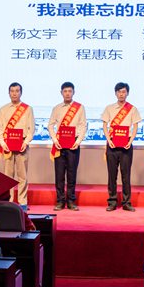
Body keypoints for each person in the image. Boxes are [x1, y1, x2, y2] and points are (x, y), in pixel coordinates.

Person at [101, 82, 142, 212]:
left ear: (127, 93)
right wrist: (109, 140)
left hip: (126, 145)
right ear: (115, 93)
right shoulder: (109, 108)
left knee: (126, 175)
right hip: (112, 144)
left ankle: (126, 202)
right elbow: (104, 125)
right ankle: (112, 202)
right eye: (119, 92)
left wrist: (131, 140)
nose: (121, 94)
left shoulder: (132, 109)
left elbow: (135, 126)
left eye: (123, 92)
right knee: (112, 175)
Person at [47, 81, 87, 211]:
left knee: (71, 174)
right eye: (65, 91)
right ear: (61, 93)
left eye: (70, 91)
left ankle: (71, 201)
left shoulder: (79, 108)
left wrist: (78, 141)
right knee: (59, 175)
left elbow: (83, 125)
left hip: (73, 145)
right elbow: (50, 125)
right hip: (59, 145)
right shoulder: (56, 108)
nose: (67, 93)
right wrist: (55, 140)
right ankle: (60, 201)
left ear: (73, 92)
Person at [0, 82, 35, 209]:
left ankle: (22, 202)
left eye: (17, 91)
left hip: (22, 144)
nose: (14, 93)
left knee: (22, 176)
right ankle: (9, 201)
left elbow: (31, 129)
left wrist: (25, 142)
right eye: (12, 91)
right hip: (7, 146)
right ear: (8, 93)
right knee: (7, 176)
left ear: (21, 93)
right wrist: (2, 143)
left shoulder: (28, 109)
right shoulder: (3, 109)